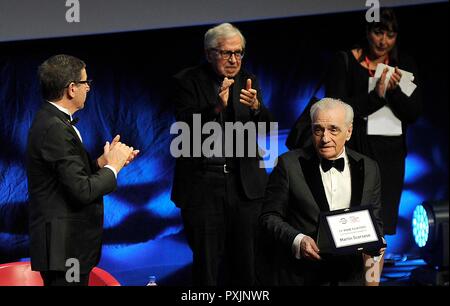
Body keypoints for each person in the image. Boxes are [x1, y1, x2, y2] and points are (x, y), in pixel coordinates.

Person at [170, 23, 273, 286]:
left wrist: (258, 109)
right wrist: (215, 108)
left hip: (245, 188)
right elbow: (184, 128)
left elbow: (266, 131)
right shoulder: (186, 81)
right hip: (205, 188)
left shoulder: (248, 81)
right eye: (227, 53)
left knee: (247, 267)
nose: (234, 59)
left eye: (238, 53)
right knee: (207, 269)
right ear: (209, 54)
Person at [26, 54, 139, 286]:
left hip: (67, 248)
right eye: (85, 82)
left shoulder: (52, 120)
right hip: (65, 249)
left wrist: (101, 163)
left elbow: (67, 176)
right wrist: (113, 167)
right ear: (71, 88)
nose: (88, 88)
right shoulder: (55, 128)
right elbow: (83, 191)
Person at [259, 98, 385, 286]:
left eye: (334, 129)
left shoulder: (369, 167)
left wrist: (373, 276)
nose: (325, 138)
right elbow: (268, 217)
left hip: (350, 278)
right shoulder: (288, 165)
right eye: (318, 130)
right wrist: (298, 240)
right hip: (303, 276)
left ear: (349, 131)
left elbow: (375, 223)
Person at [325, 8, 422, 235]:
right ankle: (353, 271)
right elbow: (335, 110)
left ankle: (373, 273)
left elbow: (414, 113)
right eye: (379, 33)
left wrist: (393, 92)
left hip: (390, 156)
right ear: (368, 31)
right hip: (354, 152)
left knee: (381, 227)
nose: (383, 41)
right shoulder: (346, 61)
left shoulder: (403, 64)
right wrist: (376, 96)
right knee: (353, 224)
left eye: (390, 35)